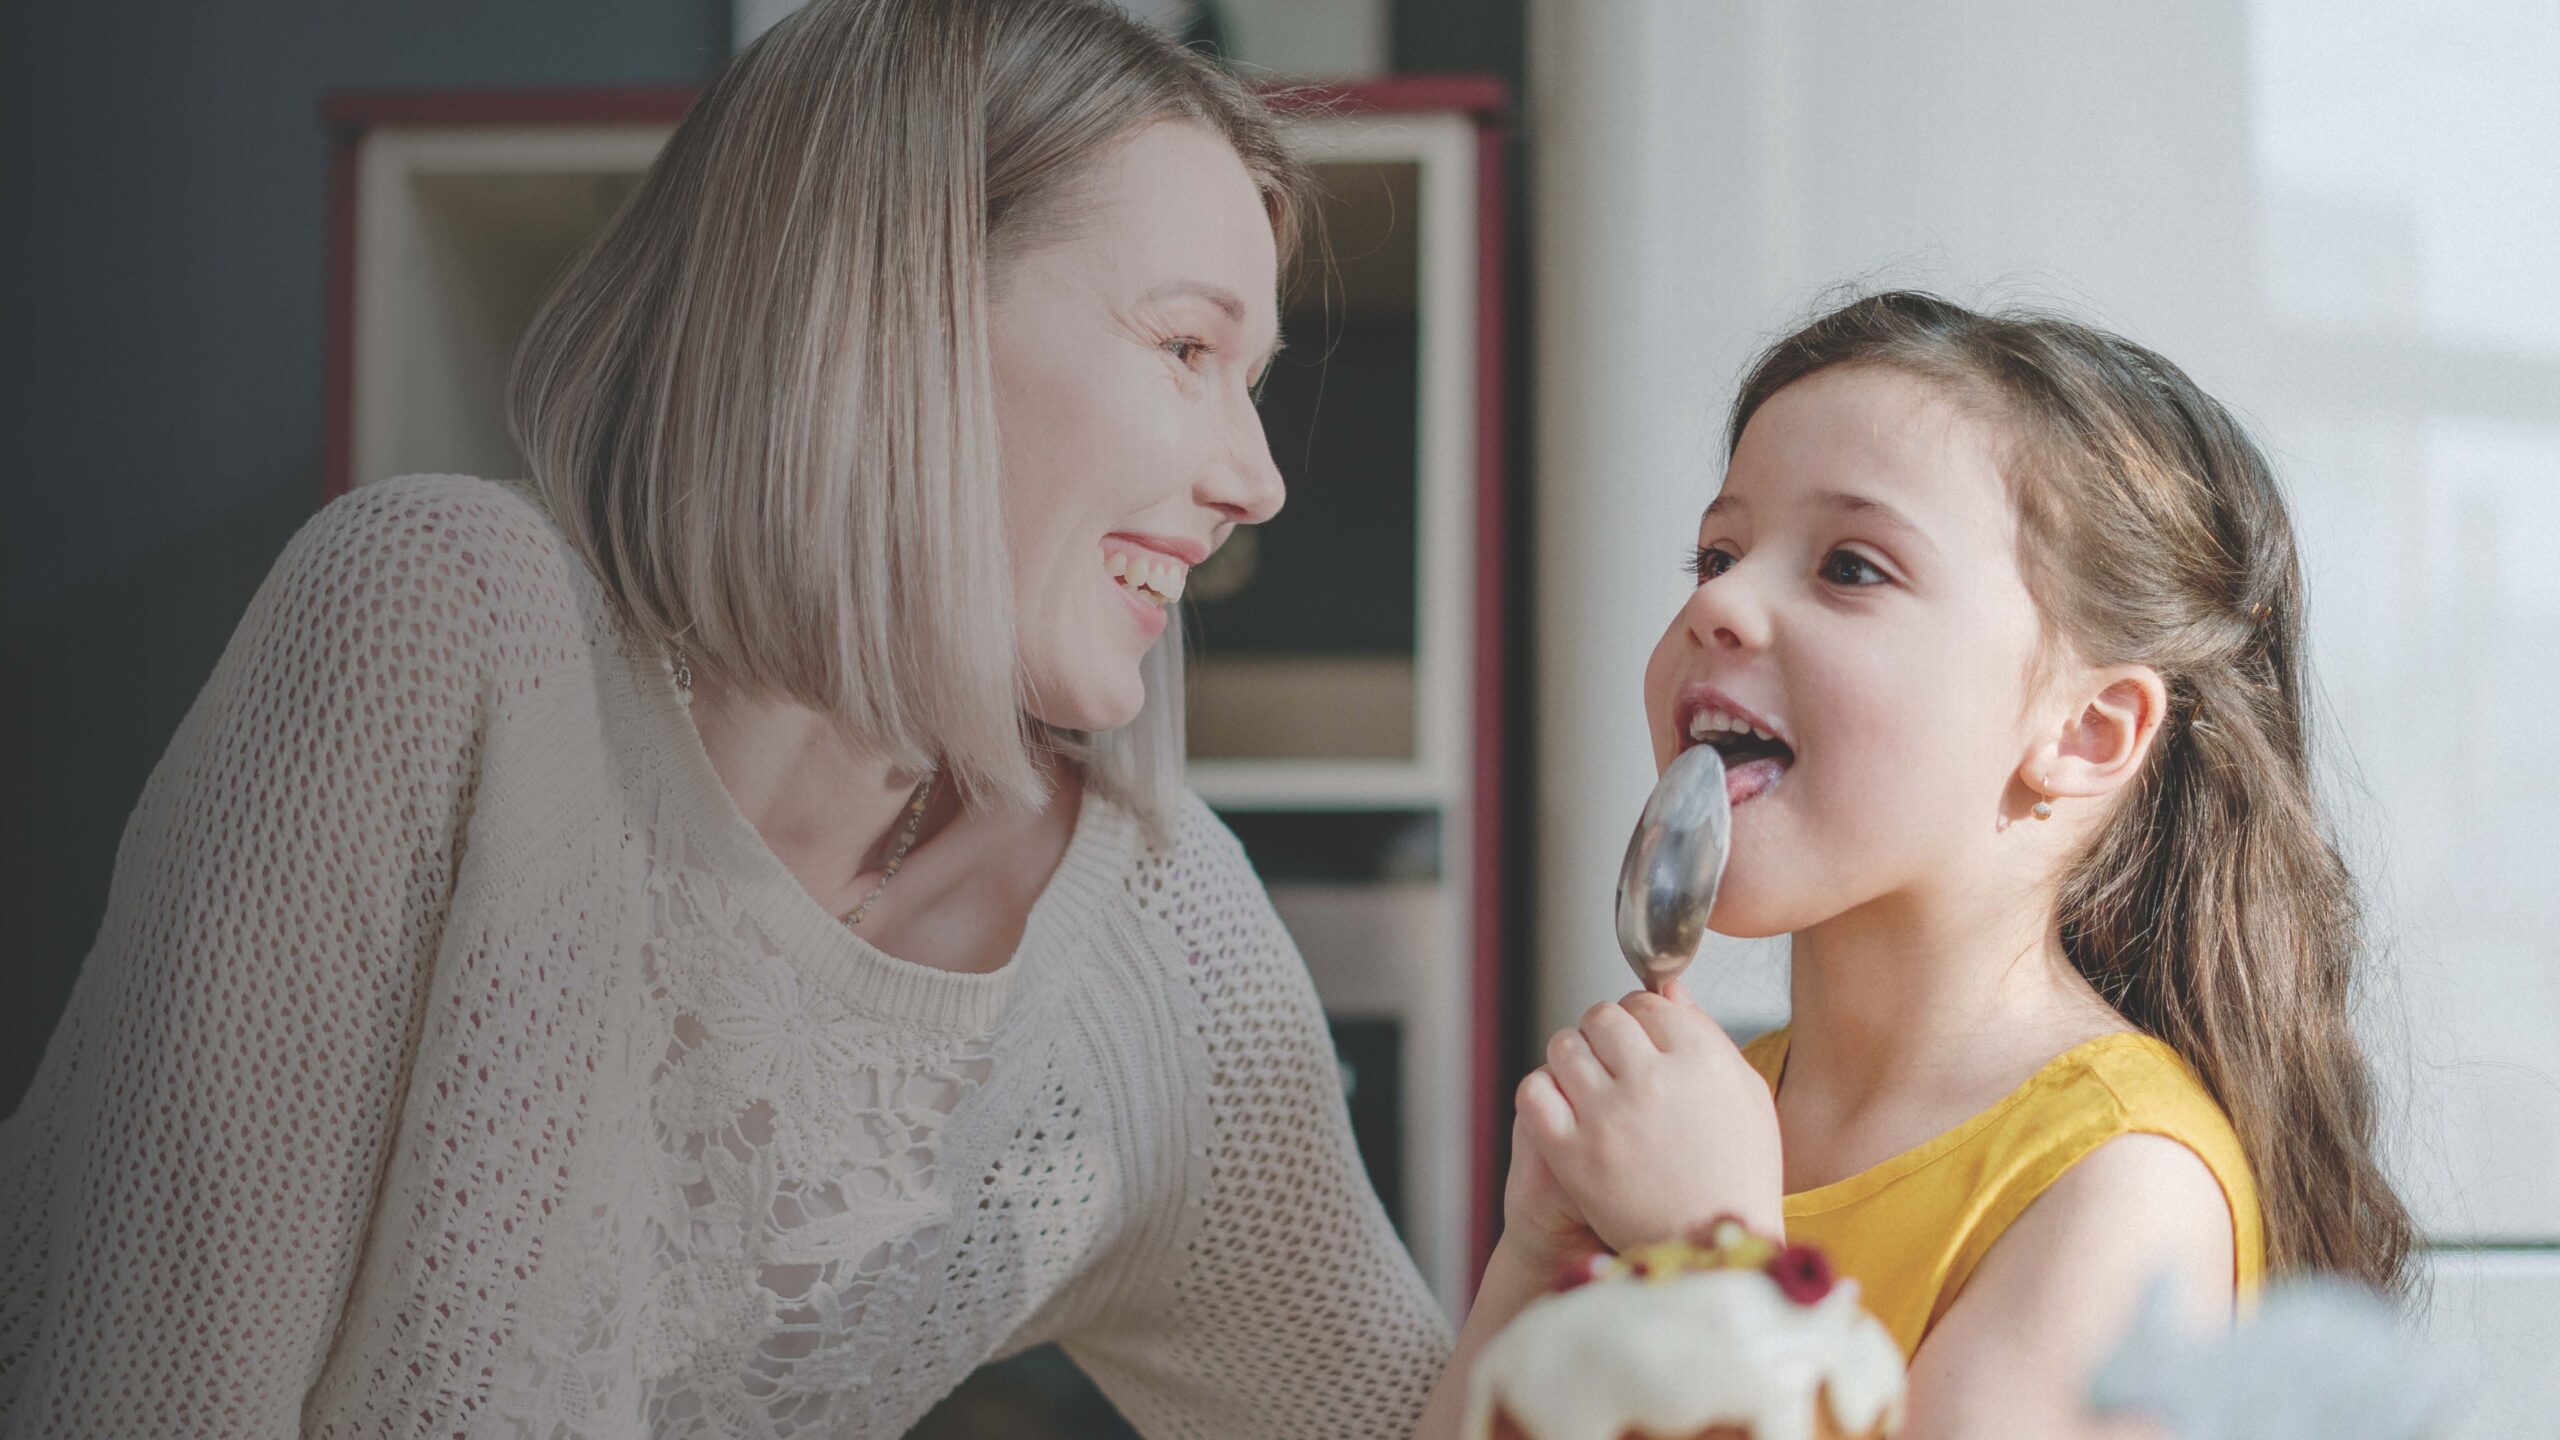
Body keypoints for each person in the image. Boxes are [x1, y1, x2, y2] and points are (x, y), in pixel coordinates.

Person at [0, 2, 1452, 1434]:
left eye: (1250, 383)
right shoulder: (445, 626)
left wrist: (1607, 1220)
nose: (1258, 480)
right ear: (898, 303)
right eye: (1189, 350)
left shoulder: (1159, 935)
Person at [1419, 291, 2416, 1438]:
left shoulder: (2120, 1185)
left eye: (1850, 567)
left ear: (2083, 734)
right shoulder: (1718, 1113)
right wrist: (1535, 1254)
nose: (1721, 602)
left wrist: (1715, 1266)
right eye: (1717, 552)